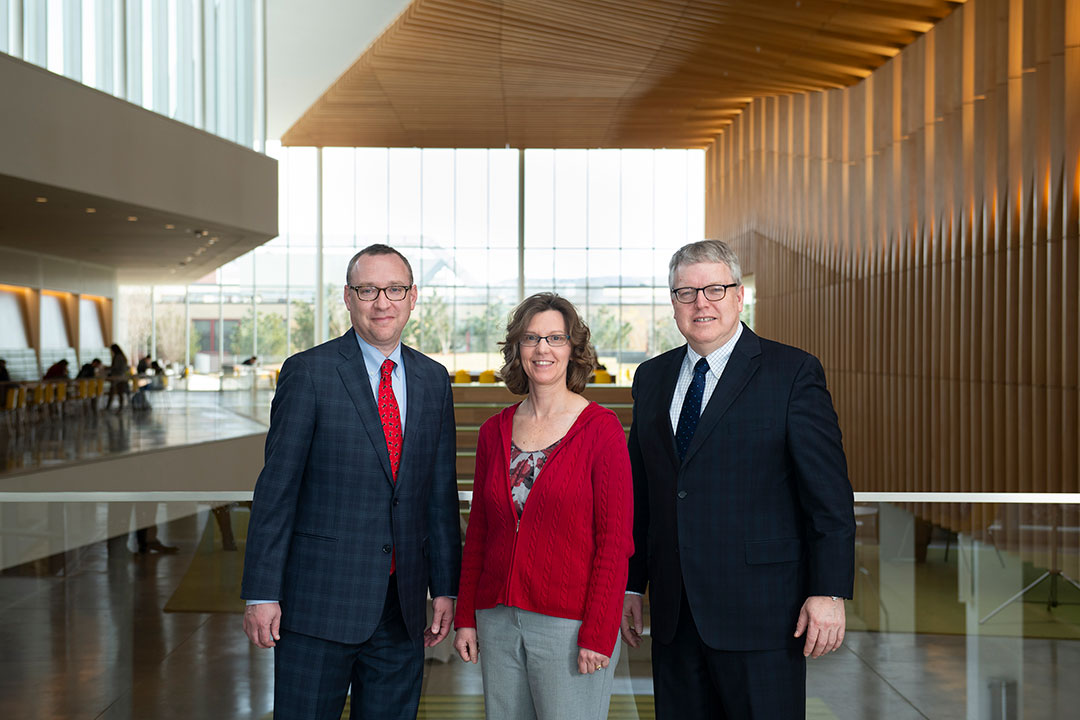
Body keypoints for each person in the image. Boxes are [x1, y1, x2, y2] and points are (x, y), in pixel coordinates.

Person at [621, 239, 855, 719]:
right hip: (675, 614)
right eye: (686, 293)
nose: (700, 303)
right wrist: (630, 585)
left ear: (739, 295)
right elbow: (643, 494)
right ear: (673, 303)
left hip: (764, 616)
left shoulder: (791, 372)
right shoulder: (651, 377)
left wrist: (828, 591)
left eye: (714, 289)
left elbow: (828, 495)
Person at [241, 244, 461, 720]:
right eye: (368, 290)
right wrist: (262, 593)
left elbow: (439, 496)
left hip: (401, 611)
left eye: (395, 289)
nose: (382, 302)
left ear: (412, 297)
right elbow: (277, 490)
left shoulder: (432, 379)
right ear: (347, 297)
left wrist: (446, 587)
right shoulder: (309, 372)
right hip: (318, 604)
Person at [453, 292, 633, 720]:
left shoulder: (601, 430)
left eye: (556, 337)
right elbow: (478, 531)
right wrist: (466, 616)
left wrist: (598, 632)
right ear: (517, 347)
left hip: (570, 626)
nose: (543, 349)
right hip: (496, 619)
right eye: (531, 338)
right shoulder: (493, 431)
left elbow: (614, 542)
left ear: (574, 349)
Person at [104, 345, 130, 410]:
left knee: (114, 392)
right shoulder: (122, 356)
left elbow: (116, 367)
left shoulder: (118, 357)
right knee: (119, 392)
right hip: (121, 376)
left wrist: (108, 368)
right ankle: (119, 406)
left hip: (117, 376)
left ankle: (111, 406)